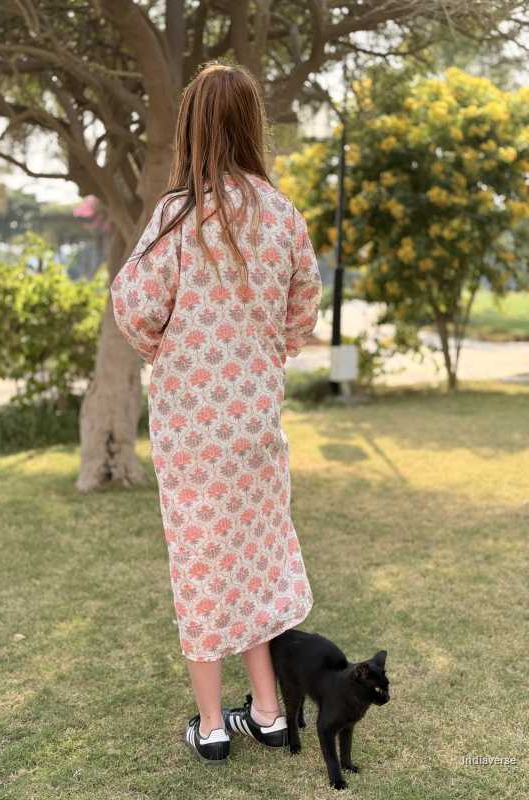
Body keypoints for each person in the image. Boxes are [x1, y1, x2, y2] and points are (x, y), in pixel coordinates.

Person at [110, 62, 323, 765]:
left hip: (194, 431)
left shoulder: (177, 215)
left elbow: (135, 310)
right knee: (254, 562)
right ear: (252, 125)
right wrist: (258, 353)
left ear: (193, 127)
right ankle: (266, 711)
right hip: (256, 428)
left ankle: (210, 725)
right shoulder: (283, 215)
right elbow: (300, 322)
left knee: (202, 566)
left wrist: (173, 350)